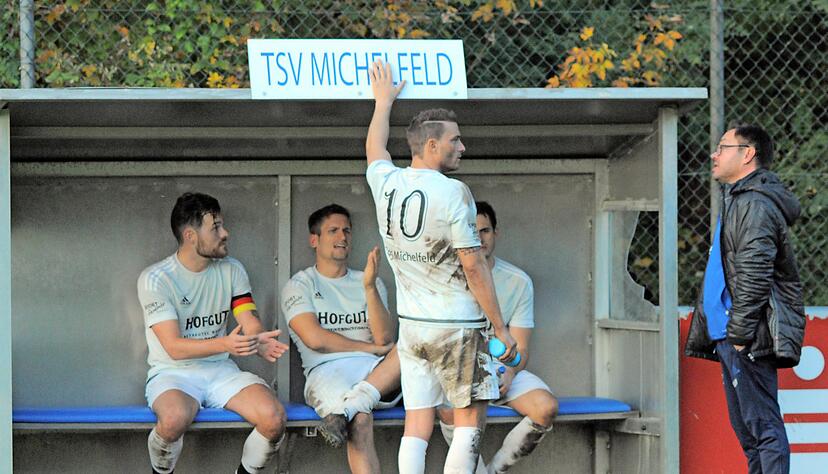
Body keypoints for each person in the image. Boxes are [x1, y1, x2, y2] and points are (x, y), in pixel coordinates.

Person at [365, 59, 517, 474]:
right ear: (431, 145)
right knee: (469, 424)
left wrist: (382, 103)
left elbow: (375, 149)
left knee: (416, 424)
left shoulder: (387, 182)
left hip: (413, 326)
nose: (462, 147)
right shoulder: (454, 192)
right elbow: (473, 265)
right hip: (457, 325)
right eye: (456, 140)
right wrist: (500, 327)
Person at [684, 124, 806, 473]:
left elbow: (754, 273)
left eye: (723, 147)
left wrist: (739, 334)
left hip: (744, 334)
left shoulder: (754, 204)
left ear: (747, 154)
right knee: (750, 434)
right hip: (730, 334)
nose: (714, 155)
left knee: (763, 429)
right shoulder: (739, 198)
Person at [137, 192, 288, 474]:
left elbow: (248, 319)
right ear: (191, 236)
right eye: (216, 227)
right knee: (173, 419)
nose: (225, 233)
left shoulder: (232, 269)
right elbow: (173, 347)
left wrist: (257, 340)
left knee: (274, 418)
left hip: (220, 371)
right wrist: (226, 344)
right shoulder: (156, 278)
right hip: (173, 373)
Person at [280, 203, 402, 473]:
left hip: (375, 371)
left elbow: (385, 338)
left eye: (347, 230)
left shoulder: (368, 280)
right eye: (333, 230)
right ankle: (354, 407)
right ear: (314, 240)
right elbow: (315, 339)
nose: (342, 236)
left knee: (412, 347)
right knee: (360, 420)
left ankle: (349, 408)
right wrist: (368, 347)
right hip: (326, 372)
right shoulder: (300, 284)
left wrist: (369, 288)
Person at [438, 201, 558, 473]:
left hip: (500, 369)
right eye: (472, 232)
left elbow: (521, 347)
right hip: (456, 371)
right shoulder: (445, 277)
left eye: (485, 231)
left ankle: (495, 470)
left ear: (495, 233)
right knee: (447, 409)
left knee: (546, 407)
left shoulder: (518, 281)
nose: (479, 239)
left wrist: (510, 373)